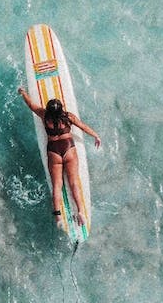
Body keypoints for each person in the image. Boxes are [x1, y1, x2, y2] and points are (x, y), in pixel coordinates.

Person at [17, 88, 101, 228]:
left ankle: (59, 219)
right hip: (68, 149)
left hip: (53, 151)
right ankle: (80, 212)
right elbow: (83, 126)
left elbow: (31, 105)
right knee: (73, 182)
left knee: (57, 185)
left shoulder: (45, 116)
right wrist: (95, 135)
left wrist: (23, 92)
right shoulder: (68, 117)